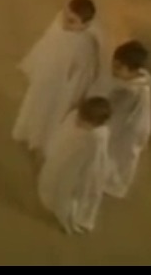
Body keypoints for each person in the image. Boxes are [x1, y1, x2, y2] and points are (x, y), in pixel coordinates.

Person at [12, 0, 102, 153]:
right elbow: (46, 43)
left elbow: (82, 77)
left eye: (72, 21)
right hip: (44, 80)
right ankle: (30, 135)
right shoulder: (59, 24)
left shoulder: (85, 45)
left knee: (50, 117)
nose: (65, 24)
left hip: (61, 91)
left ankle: (42, 144)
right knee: (35, 108)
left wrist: (72, 98)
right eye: (65, 16)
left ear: (85, 25)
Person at [38, 96, 113, 235]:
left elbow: (92, 159)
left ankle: (71, 218)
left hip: (83, 170)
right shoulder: (91, 129)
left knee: (74, 193)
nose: (78, 122)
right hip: (75, 166)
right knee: (69, 192)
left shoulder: (95, 137)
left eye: (83, 121)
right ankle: (68, 215)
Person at [99, 39, 151, 198]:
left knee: (117, 157)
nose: (113, 70)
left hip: (129, 130)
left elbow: (116, 111)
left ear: (132, 70)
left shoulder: (131, 90)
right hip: (131, 127)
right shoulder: (138, 81)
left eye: (118, 68)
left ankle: (109, 184)